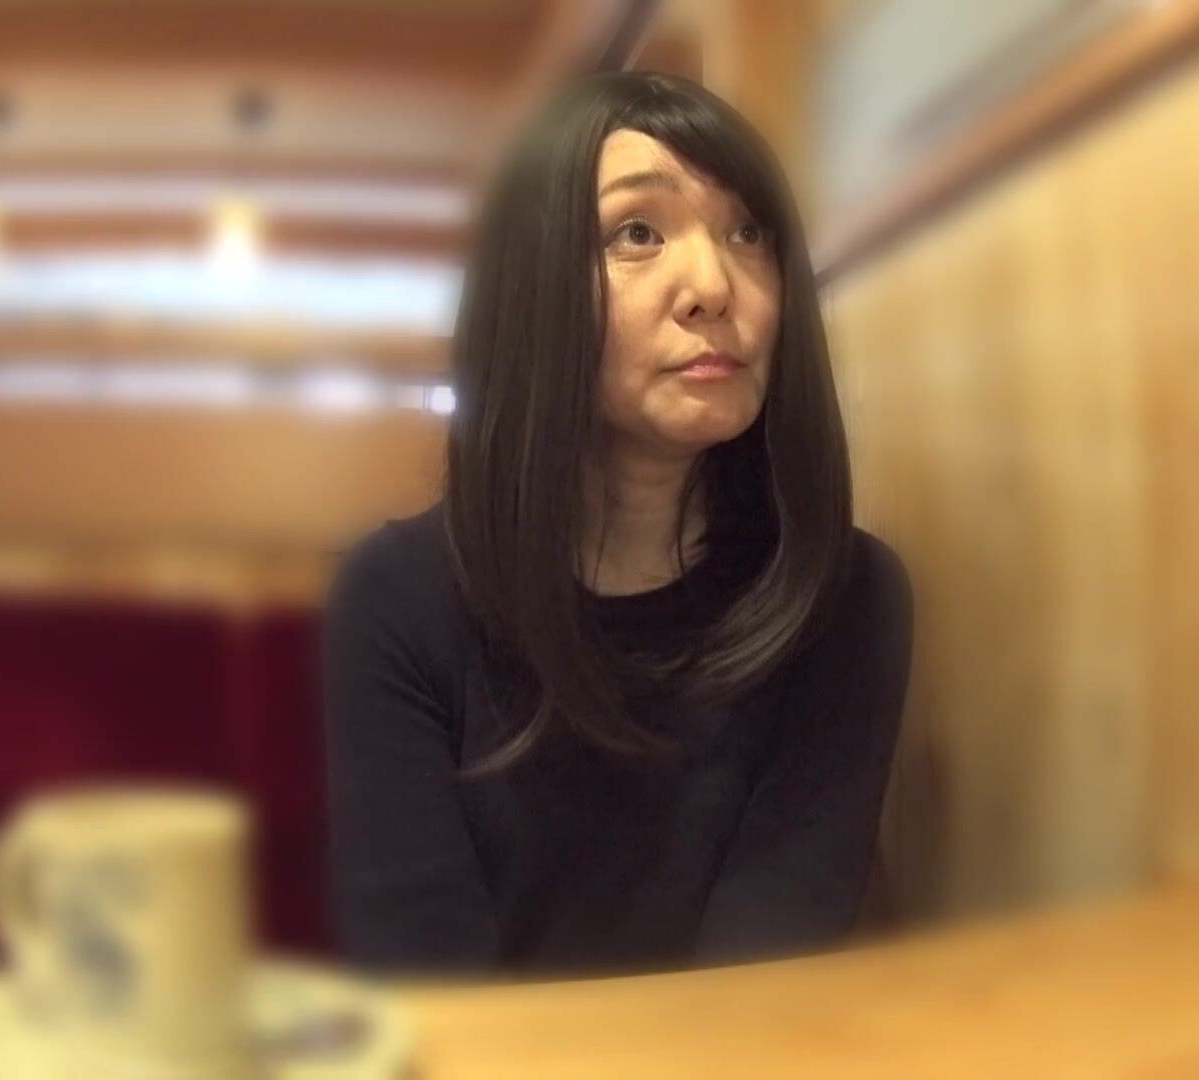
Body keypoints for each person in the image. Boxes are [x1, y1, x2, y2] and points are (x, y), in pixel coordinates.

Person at [322, 70, 914, 975]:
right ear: (532, 290)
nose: (713, 285)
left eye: (747, 233)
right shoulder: (396, 600)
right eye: (637, 233)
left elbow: (765, 975)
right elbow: (429, 987)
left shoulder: (846, 598)